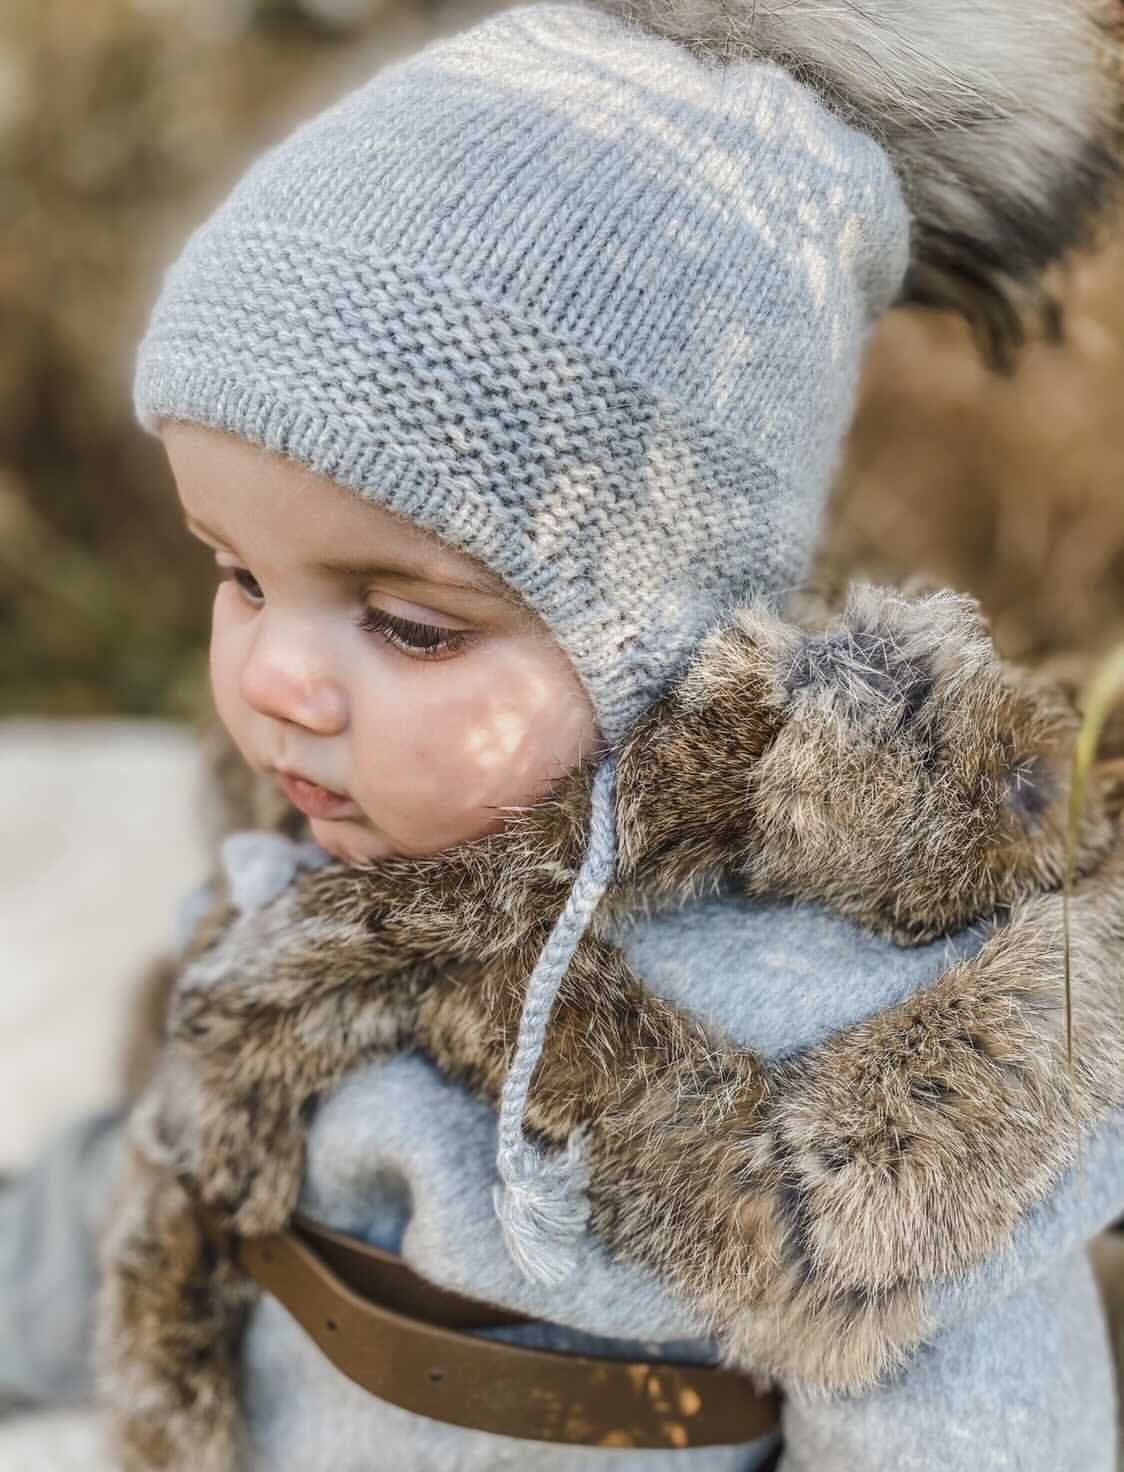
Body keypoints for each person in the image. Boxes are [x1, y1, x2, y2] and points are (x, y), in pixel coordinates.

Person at [5, 0, 1124, 1466]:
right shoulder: (324, 844)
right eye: (239, 575)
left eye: (409, 625)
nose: (274, 676)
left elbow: (977, 1427)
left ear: (676, 636)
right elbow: (150, 1171)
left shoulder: (849, 1079)